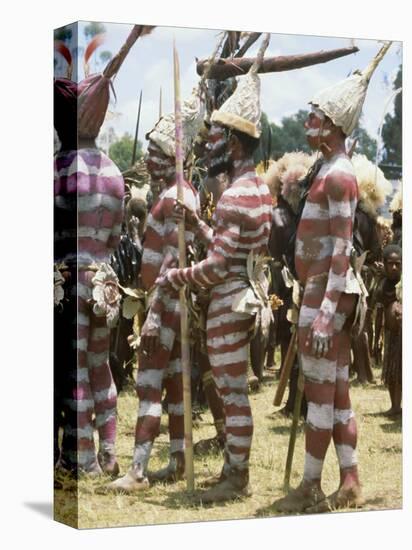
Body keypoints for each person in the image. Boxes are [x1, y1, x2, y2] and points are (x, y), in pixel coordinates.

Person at [274, 43, 391, 513]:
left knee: (320, 394)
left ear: (336, 125)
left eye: (317, 118)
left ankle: (309, 488)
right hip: (323, 292)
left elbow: (342, 245)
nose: (309, 125)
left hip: (327, 296)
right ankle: (350, 482)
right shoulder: (326, 170)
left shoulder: (339, 176)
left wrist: (323, 314)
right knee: (337, 394)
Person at [156, 38, 273, 503]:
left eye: (219, 137)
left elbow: (218, 265)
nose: (210, 144)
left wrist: (174, 278)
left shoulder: (233, 195)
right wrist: (199, 224)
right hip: (247, 292)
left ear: (237, 142)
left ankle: (237, 478)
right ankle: (232, 469)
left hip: (230, 300)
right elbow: (234, 247)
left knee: (231, 392)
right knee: (231, 389)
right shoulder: (258, 189)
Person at [54, 26, 149, 477]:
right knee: (101, 368)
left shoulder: (59, 169)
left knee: (73, 372)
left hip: (68, 282)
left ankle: (82, 460)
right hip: (106, 281)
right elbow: (114, 240)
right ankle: (110, 454)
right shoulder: (114, 173)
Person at [106, 91, 204, 492]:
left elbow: (169, 265)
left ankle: (138, 471)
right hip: (176, 306)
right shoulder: (181, 195)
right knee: (177, 384)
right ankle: (179, 461)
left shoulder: (170, 200)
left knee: (149, 385)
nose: (148, 160)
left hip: (165, 306)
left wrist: (152, 313)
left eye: (154, 153)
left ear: (171, 158)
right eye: (147, 152)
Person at [374, 245, 402, 416]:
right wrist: (376, 339)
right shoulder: (382, 286)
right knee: (393, 372)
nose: (394, 267)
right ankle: (395, 406)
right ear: (384, 264)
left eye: (397, 264)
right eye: (390, 264)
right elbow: (378, 314)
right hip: (391, 336)